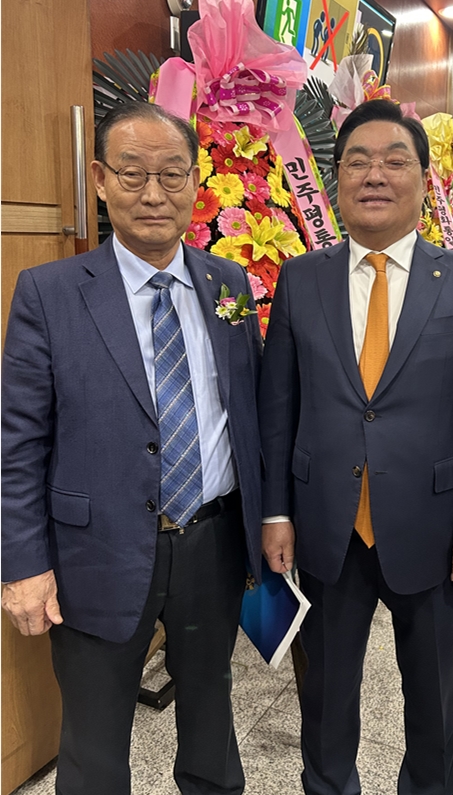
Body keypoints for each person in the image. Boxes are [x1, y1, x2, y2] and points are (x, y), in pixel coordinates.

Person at [1, 102, 263, 795]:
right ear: (99, 178)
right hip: (96, 552)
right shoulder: (50, 292)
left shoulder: (228, 284)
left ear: (196, 181)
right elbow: (18, 443)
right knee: (93, 744)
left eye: (172, 174)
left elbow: (250, 411)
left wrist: (270, 521)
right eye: (132, 173)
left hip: (212, 542)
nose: (154, 193)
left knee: (211, 719)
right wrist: (23, 564)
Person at [259, 98, 453, 795]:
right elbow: (279, 409)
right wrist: (276, 513)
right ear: (337, 178)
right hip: (326, 527)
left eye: (395, 161)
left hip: (432, 528)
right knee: (325, 694)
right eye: (358, 162)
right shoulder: (301, 278)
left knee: (432, 697)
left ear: (423, 179)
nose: (375, 175)